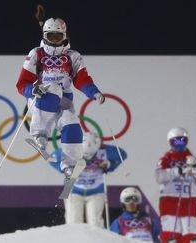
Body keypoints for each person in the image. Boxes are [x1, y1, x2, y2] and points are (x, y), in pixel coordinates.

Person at [16, 17, 105, 181]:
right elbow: (22, 83)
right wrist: (32, 89)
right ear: (44, 36)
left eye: (58, 37)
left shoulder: (72, 56)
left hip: (64, 102)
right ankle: (40, 135)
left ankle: (69, 166)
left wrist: (94, 92)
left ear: (65, 36)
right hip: (41, 99)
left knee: (72, 124)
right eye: (51, 37)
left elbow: (81, 78)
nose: (55, 41)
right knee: (54, 89)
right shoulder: (36, 54)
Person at [49, 131, 126, 227]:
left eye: (92, 154)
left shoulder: (105, 150)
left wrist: (110, 165)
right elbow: (51, 159)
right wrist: (64, 168)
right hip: (73, 191)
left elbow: (122, 155)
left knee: (95, 224)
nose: (88, 158)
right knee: (74, 222)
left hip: (96, 191)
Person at [155, 127, 196, 243]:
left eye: (182, 141)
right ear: (170, 142)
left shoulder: (193, 159)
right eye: (176, 141)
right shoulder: (166, 158)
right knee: (171, 233)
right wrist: (177, 171)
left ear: (187, 141)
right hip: (169, 199)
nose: (179, 144)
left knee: (191, 234)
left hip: (189, 199)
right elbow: (159, 177)